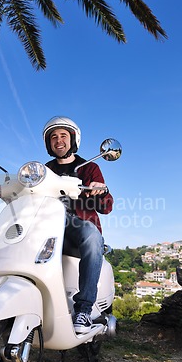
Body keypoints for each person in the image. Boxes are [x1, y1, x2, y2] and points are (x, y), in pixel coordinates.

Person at [43, 116, 114, 333]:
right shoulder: (45, 170)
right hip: (46, 226)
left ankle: (83, 309)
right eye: (53, 137)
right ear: (48, 143)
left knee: (91, 234)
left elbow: (107, 206)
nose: (58, 140)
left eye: (63, 135)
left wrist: (100, 190)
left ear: (73, 139)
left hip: (78, 225)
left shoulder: (89, 168)